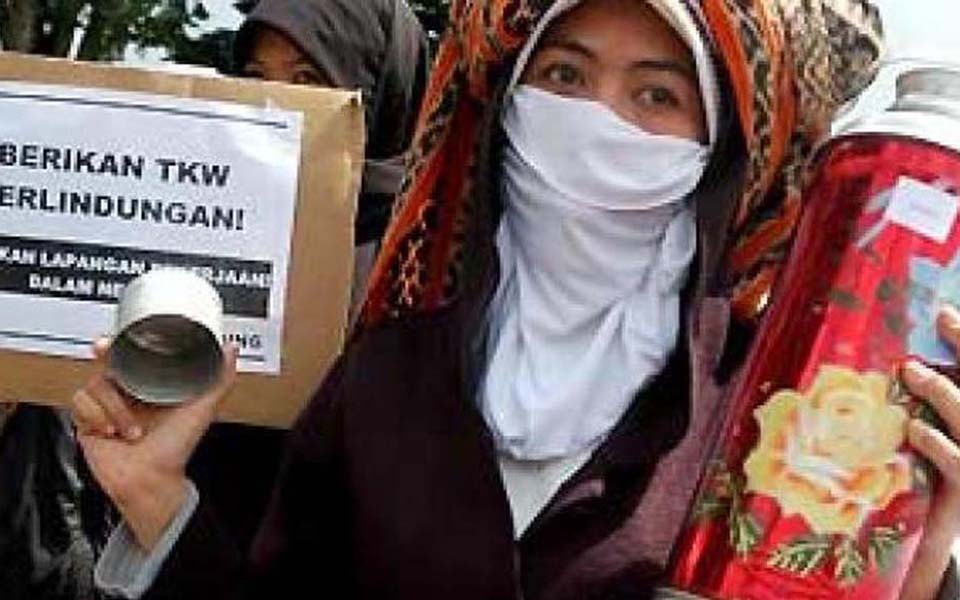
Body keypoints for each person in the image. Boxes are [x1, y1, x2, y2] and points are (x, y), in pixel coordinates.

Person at [71, 0, 958, 599]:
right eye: (565, 78)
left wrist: (904, 572)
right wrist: (155, 495)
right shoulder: (389, 373)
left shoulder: (774, 407)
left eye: (656, 94)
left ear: (721, 149)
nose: (595, 122)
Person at [235, 0, 430, 310]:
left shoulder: (436, 250)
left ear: (380, 91)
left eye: (306, 79)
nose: (272, 105)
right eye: (256, 78)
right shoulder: (224, 221)